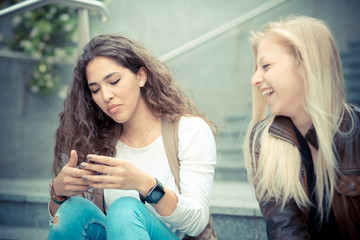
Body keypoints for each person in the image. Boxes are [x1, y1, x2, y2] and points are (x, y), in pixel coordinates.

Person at [47, 34, 217, 240]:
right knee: (72, 209)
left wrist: (145, 184)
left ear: (141, 76)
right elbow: (71, 226)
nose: (106, 95)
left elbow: (197, 222)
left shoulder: (190, 130)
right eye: (95, 90)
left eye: (114, 81)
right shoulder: (101, 141)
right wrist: (59, 192)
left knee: (125, 209)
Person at [243, 16, 360, 239]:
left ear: (306, 64)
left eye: (266, 66)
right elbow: (285, 230)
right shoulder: (263, 141)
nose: (255, 79)